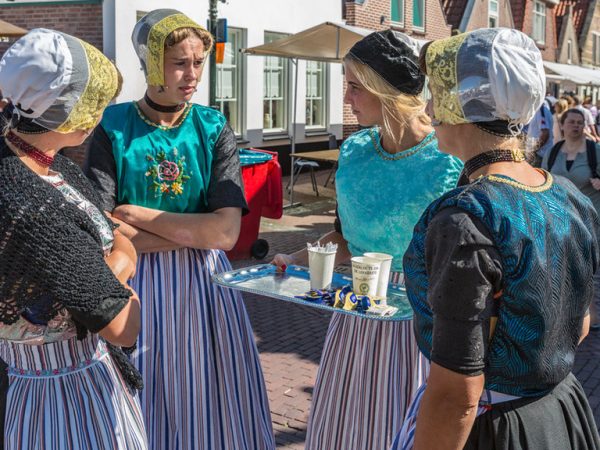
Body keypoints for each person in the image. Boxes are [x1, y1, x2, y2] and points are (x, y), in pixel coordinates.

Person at [392, 28, 600, 450]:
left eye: (437, 94)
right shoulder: (567, 195)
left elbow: (456, 393)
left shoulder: (467, 218)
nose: (429, 109)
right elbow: (578, 323)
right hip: (559, 411)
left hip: (493, 427)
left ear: (464, 103)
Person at [84, 9, 275, 450]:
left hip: (203, 288)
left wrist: (137, 216)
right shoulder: (114, 127)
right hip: (137, 284)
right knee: (141, 396)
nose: (192, 74)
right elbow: (102, 227)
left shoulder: (212, 128)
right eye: (180, 63)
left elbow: (225, 234)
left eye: (198, 62)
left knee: (208, 400)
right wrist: (192, 230)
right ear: (152, 63)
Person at [272, 30, 463, 450]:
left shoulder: (449, 159)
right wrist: (296, 257)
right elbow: (344, 238)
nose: (346, 98)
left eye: (355, 87)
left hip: (424, 318)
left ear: (387, 91)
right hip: (357, 314)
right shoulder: (355, 151)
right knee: (349, 426)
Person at [0, 29, 147, 449]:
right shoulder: (29, 199)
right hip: (65, 402)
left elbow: (105, 232)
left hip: (76, 380)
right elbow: (123, 325)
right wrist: (125, 256)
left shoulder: (44, 162)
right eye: (95, 102)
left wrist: (113, 257)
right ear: (69, 112)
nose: (101, 112)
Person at [542, 108, 600, 330]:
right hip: (559, 218)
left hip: (591, 220)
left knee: (588, 268)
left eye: (580, 122)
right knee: (561, 265)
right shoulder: (554, 151)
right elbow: (543, 177)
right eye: (572, 121)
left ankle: (591, 316)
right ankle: (566, 312)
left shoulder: (595, 152)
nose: (576, 125)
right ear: (563, 125)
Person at [525, 101, 553, 167]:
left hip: (539, 155)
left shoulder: (540, 110)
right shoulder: (538, 110)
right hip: (537, 153)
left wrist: (533, 150)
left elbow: (545, 133)